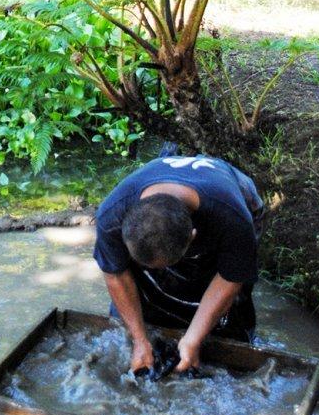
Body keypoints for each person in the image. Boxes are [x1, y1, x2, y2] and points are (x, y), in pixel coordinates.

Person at [93, 149, 264, 374]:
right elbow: (115, 273)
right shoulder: (111, 215)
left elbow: (231, 278)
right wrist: (139, 340)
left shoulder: (235, 219)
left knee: (230, 314)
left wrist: (193, 339)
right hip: (167, 179)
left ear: (193, 236)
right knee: (146, 305)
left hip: (233, 190)